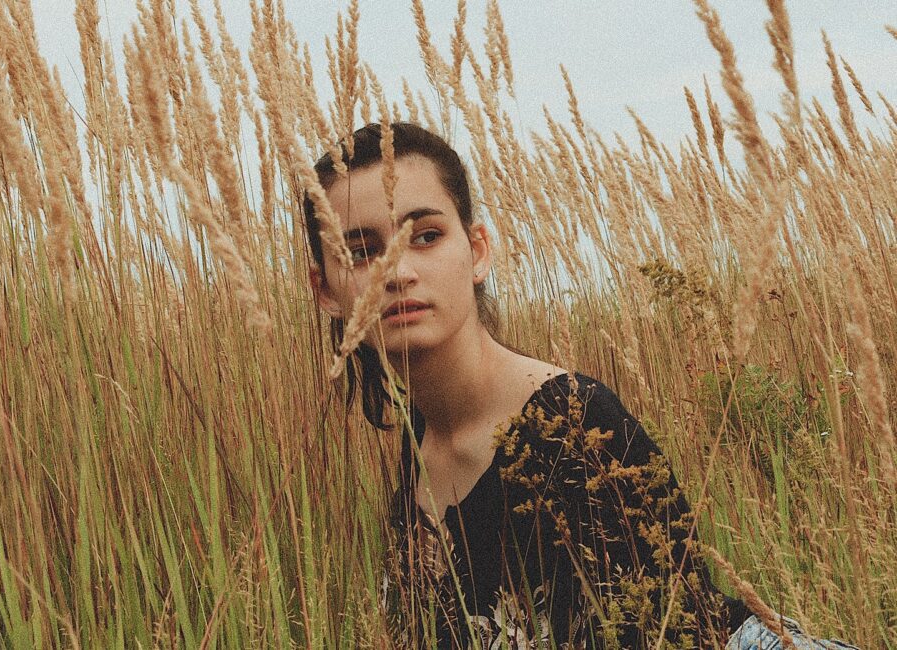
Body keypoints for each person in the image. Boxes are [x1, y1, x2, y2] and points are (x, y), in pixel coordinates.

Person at [304, 122, 857, 649]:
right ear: (324, 289)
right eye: (361, 252)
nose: (398, 272)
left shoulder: (573, 427)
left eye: (425, 236)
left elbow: (668, 629)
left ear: (476, 251)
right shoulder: (420, 441)